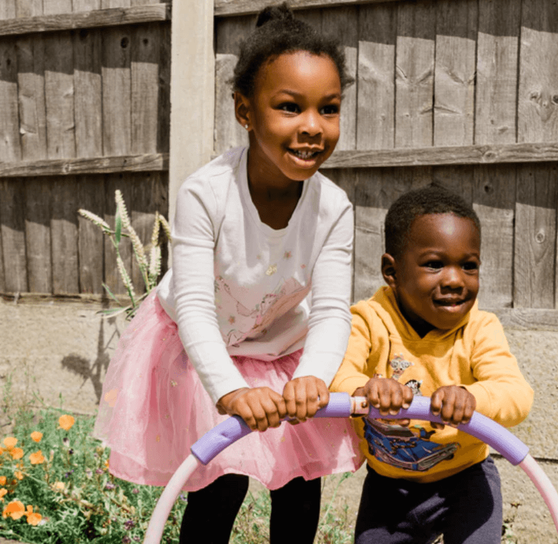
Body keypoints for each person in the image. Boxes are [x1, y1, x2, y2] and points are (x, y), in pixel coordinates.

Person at [94, 4, 363, 543]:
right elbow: (193, 306)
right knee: (222, 478)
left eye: (328, 109)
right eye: (290, 107)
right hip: (203, 346)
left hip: (282, 349)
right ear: (245, 111)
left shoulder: (334, 208)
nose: (312, 126)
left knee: (297, 478)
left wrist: (312, 375)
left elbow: (333, 309)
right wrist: (228, 391)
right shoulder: (206, 193)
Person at [330, 184, 535, 544]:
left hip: (466, 478)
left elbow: (516, 394)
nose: (455, 280)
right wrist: (364, 389)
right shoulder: (366, 321)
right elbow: (335, 376)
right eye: (435, 265)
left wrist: (473, 397)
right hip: (389, 487)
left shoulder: (479, 328)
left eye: (468, 266)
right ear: (391, 272)